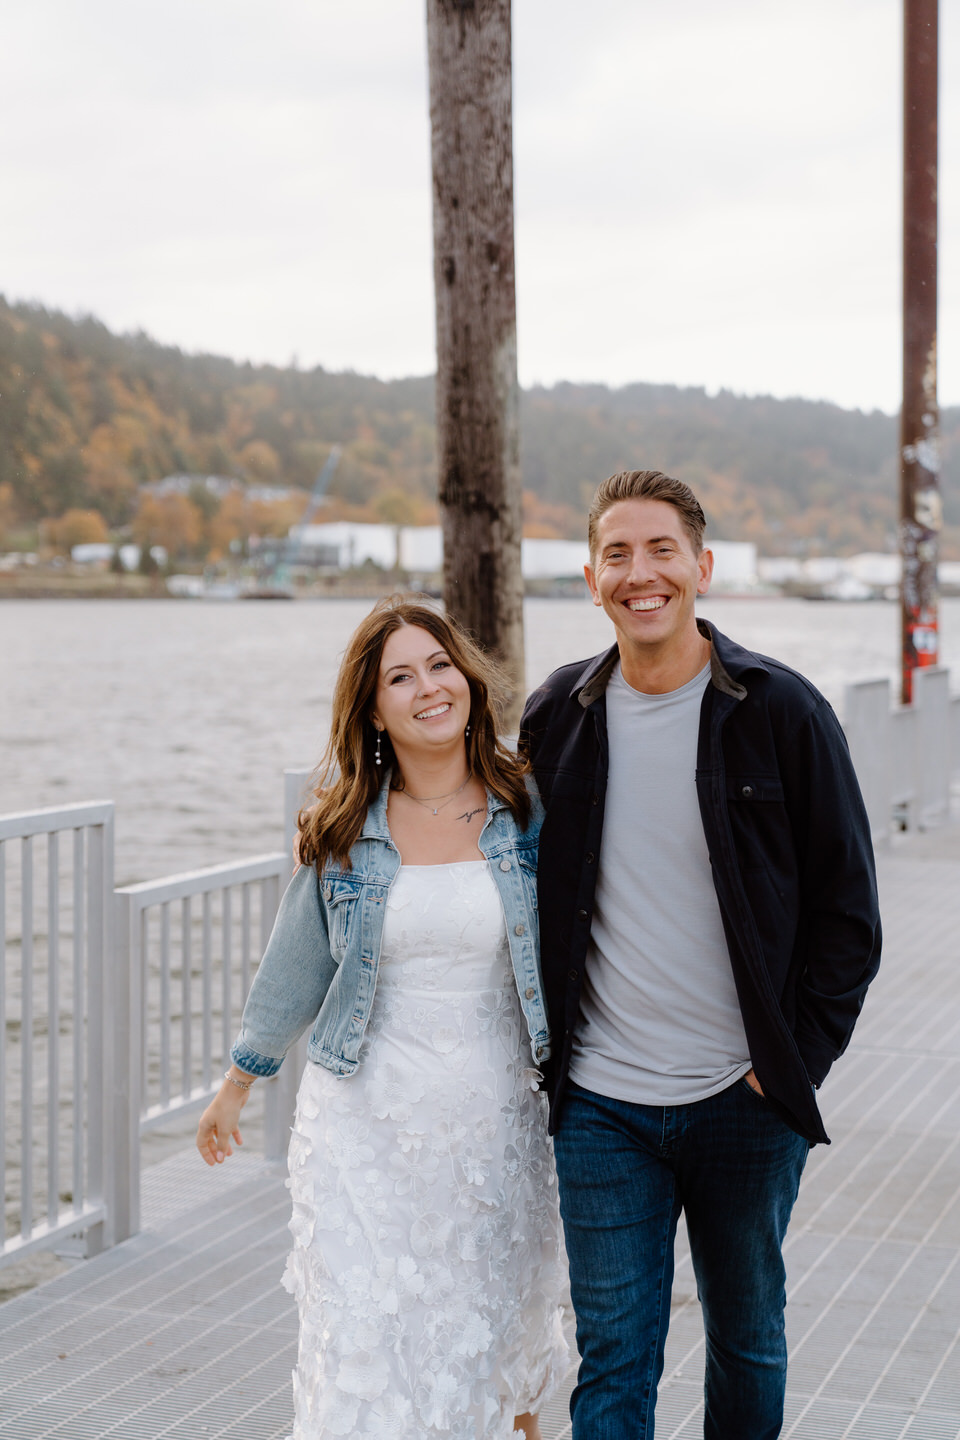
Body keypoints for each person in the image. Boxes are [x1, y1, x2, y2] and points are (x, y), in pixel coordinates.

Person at [519, 470, 882, 1440]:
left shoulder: (782, 712)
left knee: (747, 1338)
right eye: (617, 555)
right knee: (616, 1358)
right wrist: (344, 824)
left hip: (745, 1099)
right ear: (591, 579)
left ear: (703, 569)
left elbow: (850, 915)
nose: (641, 574)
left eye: (661, 551)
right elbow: (477, 840)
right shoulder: (557, 717)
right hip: (600, 1106)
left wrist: (790, 1064)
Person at [196, 596, 568, 1440]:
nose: (428, 687)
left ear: (467, 679)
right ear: (372, 707)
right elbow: (296, 964)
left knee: (501, 1349)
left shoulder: (527, 809)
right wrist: (237, 1083)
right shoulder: (343, 828)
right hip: (364, 1135)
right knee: (373, 1346)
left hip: (496, 1129)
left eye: (440, 665)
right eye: (401, 676)